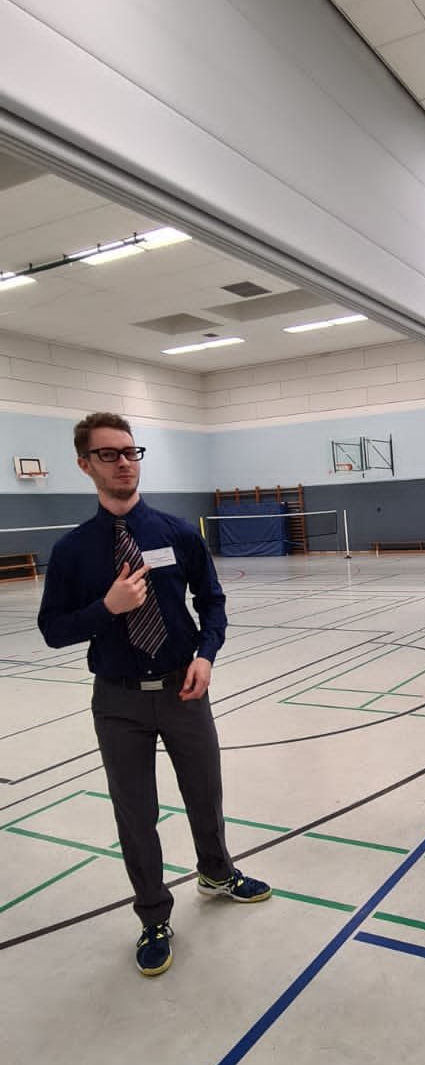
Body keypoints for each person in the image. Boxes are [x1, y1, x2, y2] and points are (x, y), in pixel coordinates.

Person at [38, 413, 271, 977]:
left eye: (130, 451)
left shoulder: (177, 534)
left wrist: (206, 655)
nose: (124, 462)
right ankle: (153, 915)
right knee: (136, 813)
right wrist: (106, 608)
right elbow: (53, 630)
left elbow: (211, 602)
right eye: (109, 454)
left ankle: (217, 872)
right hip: (117, 701)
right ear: (85, 465)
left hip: (182, 691)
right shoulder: (73, 550)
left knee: (205, 793)